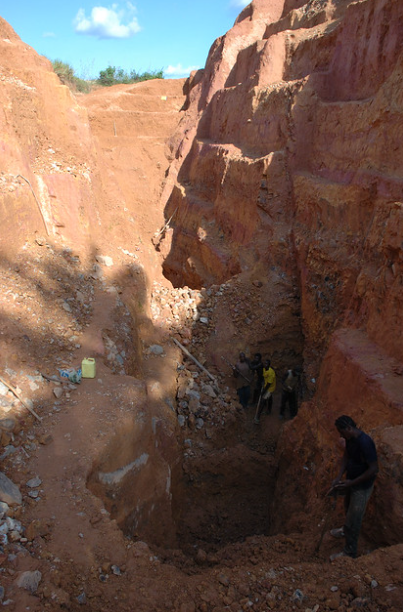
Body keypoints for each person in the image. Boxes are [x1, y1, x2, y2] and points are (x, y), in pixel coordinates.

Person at [329, 415, 378, 560]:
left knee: (354, 518)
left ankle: (349, 552)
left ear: (349, 428)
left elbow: (373, 469)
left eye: (341, 432)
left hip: (362, 487)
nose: (340, 435)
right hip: (351, 481)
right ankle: (345, 530)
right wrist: (339, 477)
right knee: (347, 506)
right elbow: (346, 456)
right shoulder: (350, 439)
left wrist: (352, 483)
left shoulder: (365, 443)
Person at [254, 359, 276, 423]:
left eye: (266, 364)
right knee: (269, 398)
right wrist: (263, 382)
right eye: (264, 363)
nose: (265, 365)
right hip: (266, 385)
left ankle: (257, 417)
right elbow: (264, 377)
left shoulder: (271, 373)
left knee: (263, 400)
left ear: (269, 365)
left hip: (270, 388)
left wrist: (263, 391)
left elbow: (269, 384)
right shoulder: (264, 369)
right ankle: (269, 410)